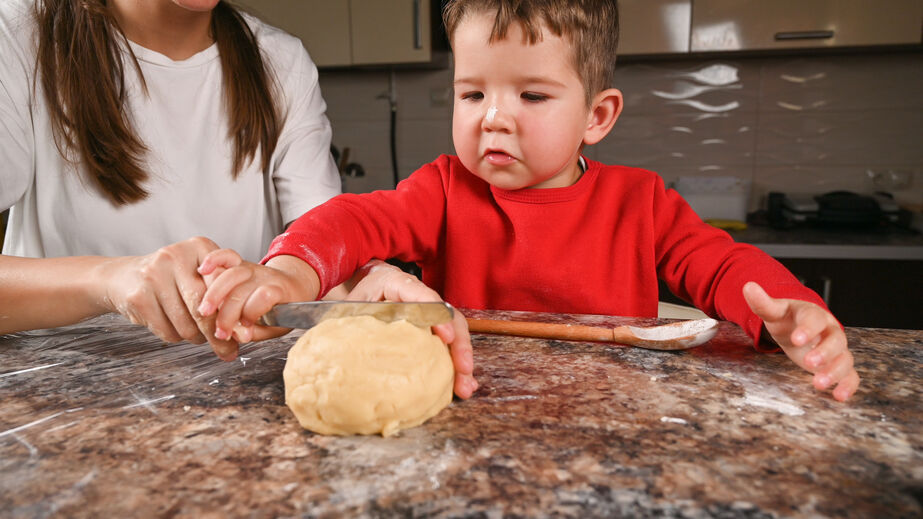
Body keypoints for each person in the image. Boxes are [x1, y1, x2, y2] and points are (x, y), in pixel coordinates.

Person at [197, 0, 859, 402]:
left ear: (596, 115)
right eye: (472, 93)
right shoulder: (443, 190)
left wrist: (790, 312)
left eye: (531, 96)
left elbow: (718, 264)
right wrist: (289, 269)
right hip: (475, 416)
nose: (493, 118)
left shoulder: (639, 202)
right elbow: (356, 219)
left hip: (613, 421)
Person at [0, 0, 342, 360]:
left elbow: (322, 251)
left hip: (240, 391)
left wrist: (360, 276)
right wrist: (109, 280)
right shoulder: (19, 35)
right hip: (61, 393)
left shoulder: (282, 61)